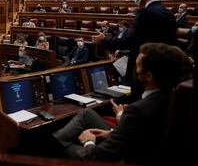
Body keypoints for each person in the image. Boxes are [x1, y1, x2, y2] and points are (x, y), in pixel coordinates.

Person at [50, 43, 191, 165]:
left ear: (149, 76)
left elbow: (97, 157)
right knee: (87, 113)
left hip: (124, 159)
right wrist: (111, 133)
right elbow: (147, 136)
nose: (134, 71)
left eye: (137, 67)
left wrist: (88, 142)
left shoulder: (138, 111)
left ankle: (45, 150)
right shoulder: (176, 96)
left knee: (59, 145)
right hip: (140, 145)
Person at [93, 0, 178, 100]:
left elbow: (128, 41)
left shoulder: (145, 13)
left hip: (142, 73)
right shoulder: (168, 13)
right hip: (163, 73)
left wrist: (103, 40)